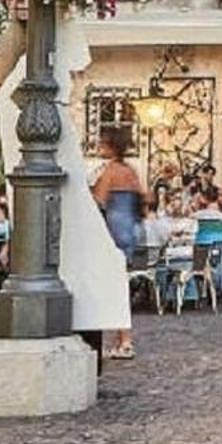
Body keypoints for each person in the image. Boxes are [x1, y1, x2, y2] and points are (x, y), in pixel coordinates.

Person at [91, 127, 142, 359]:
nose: (99, 147)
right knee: (119, 284)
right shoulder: (130, 170)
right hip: (130, 227)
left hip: (113, 228)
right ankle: (122, 338)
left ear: (111, 146)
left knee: (112, 286)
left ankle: (124, 339)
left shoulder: (110, 171)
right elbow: (143, 197)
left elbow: (99, 201)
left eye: (102, 144)